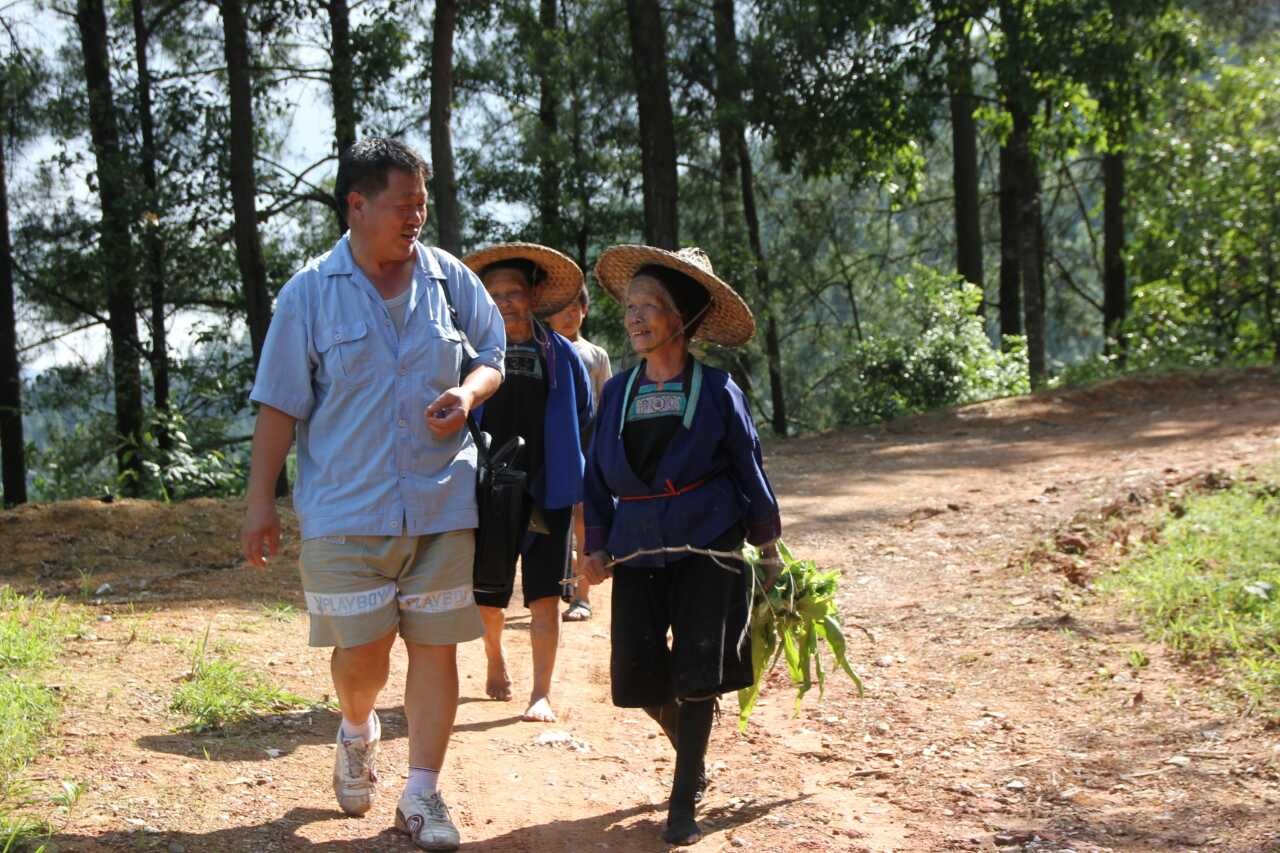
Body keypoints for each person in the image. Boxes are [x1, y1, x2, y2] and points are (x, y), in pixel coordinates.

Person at [240, 138, 505, 852]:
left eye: (423, 203)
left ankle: (421, 792)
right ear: (356, 205)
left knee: (437, 649)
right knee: (363, 658)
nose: (417, 216)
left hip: (441, 501)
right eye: (404, 203)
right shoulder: (307, 294)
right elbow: (279, 404)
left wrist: (469, 392)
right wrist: (260, 502)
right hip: (344, 512)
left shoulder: (449, 279)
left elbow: (493, 354)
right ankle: (357, 728)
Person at [579, 245, 781, 846]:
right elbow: (596, 479)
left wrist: (768, 545)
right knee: (638, 675)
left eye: (650, 305)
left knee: (697, 670)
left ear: (683, 319)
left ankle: (683, 795)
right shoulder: (618, 392)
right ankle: (691, 740)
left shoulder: (717, 389)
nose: (635, 317)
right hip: (637, 544)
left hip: (707, 542)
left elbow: (748, 466)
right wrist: (594, 545)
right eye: (630, 307)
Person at [460, 242, 592, 723]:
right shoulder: (473, 356)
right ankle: (494, 656)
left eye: (513, 292)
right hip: (490, 493)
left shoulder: (561, 355)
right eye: (494, 295)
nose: (505, 303)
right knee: (489, 597)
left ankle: (541, 693)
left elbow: (585, 417)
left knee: (544, 597)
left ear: (533, 295)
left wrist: (575, 479)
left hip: (546, 492)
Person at [545, 287, 612, 622]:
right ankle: (548, 594)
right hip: (550, 448)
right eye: (562, 307)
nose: (569, 314)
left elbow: (606, 402)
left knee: (585, 518)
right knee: (551, 522)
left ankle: (582, 597)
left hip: (587, 445)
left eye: (576, 307)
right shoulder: (541, 348)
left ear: (585, 311)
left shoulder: (596, 355)